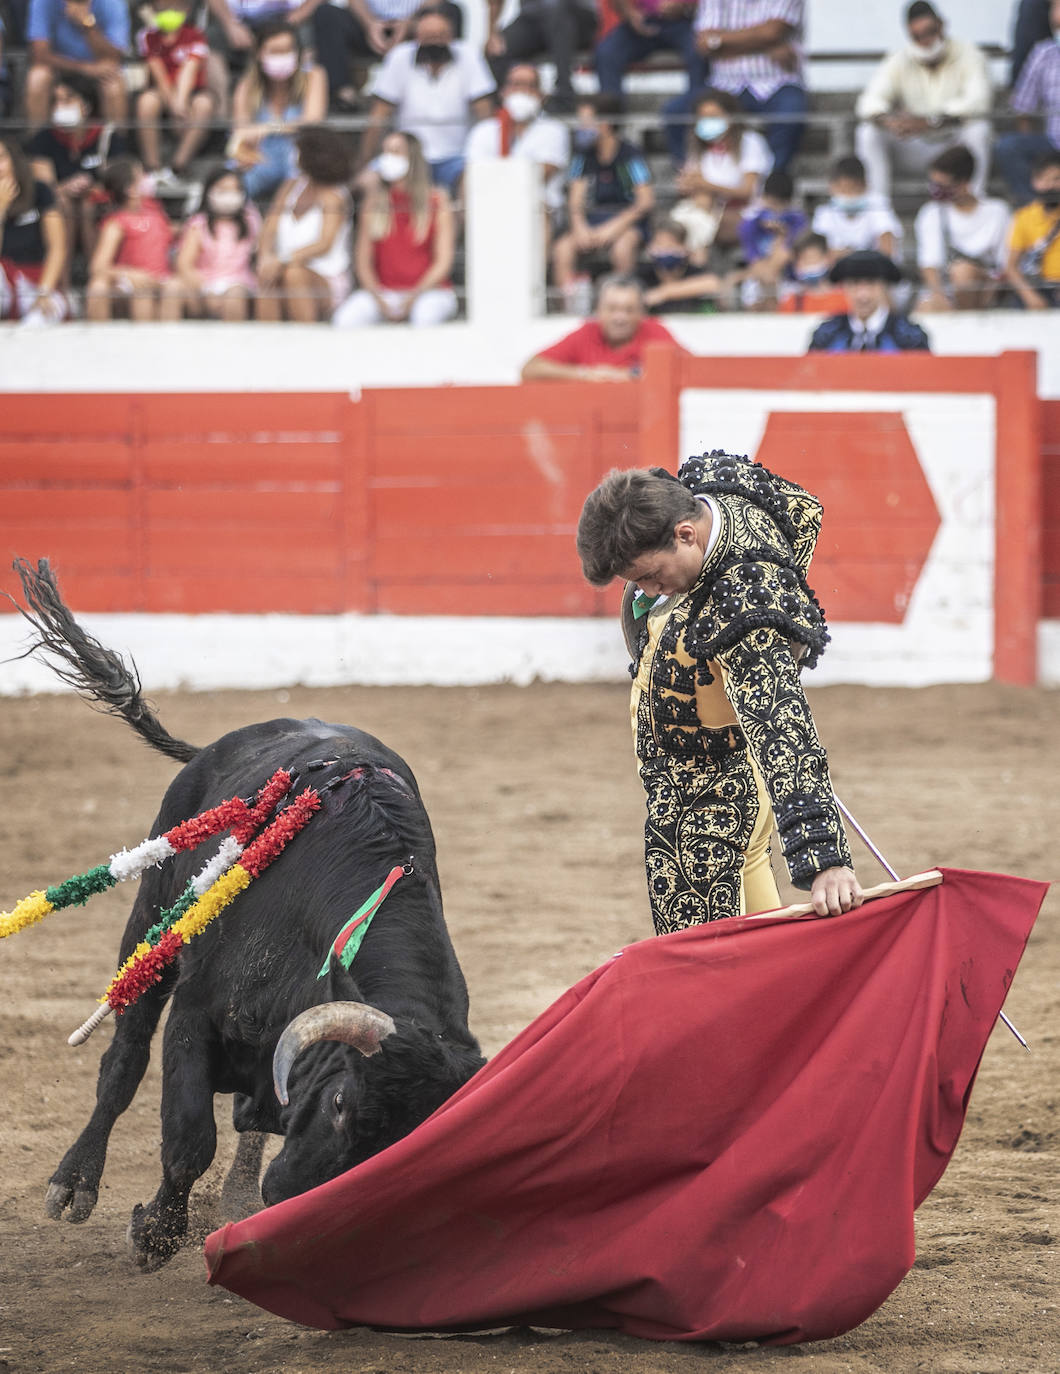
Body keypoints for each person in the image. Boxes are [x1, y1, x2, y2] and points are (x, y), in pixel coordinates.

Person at [575, 457, 862, 929]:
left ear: (686, 534)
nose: (647, 590)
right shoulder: (716, 486)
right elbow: (803, 510)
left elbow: (778, 724)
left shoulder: (745, 606)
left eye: (650, 575)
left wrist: (823, 859)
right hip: (717, 787)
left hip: (711, 806)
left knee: (706, 972)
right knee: (767, 951)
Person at [854, 2, 992, 200]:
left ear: (942, 25)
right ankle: (879, 208)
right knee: (868, 133)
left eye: (930, 32)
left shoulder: (970, 55)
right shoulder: (899, 59)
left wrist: (930, 122)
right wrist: (890, 121)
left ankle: (974, 199)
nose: (926, 40)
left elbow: (979, 102)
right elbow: (868, 102)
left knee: (979, 129)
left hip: (953, 146)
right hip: (915, 147)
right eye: (917, 36)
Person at [359, 7, 495, 191]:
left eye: (440, 35)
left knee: (475, 180)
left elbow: (485, 114)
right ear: (417, 37)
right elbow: (379, 116)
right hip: (409, 155)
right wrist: (365, 161)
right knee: (368, 181)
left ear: (451, 36)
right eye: (429, 36)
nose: (435, 42)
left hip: (456, 156)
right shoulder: (400, 56)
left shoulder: (468, 56)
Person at [333, 129, 457, 326]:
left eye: (396, 151)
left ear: (412, 157)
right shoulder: (373, 203)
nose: (388, 158)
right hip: (384, 292)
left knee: (424, 318)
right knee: (346, 320)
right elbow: (363, 262)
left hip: (431, 291)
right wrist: (378, 298)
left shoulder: (437, 201)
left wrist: (414, 296)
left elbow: (443, 262)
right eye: (386, 151)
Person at [551, 94, 654, 313]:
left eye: (585, 121)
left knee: (622, 248)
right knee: (562, 249)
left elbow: (644, 202)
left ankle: (623, 308)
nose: (581, 127)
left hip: (627, 222)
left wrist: (613, 228)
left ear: (605, 124)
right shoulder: (583, 156)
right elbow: (575, 200)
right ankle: (567, 312)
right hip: (593, 219)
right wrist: (579, 227)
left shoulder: (629, 155)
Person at [25, 72, 125, 285]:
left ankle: (96, 279)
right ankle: (62, 283)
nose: (61, 106)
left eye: (68, 99)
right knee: (63, 205)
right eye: (56, 101)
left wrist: (94, 188)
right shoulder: (44, 139)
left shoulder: (106, 136)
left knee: (89, 204)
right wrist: (64, 188)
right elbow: (43, 185)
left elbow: (118, 180)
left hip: (98, 210)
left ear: (86, 105)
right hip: (61, 206)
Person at [691, 0, 807, 172]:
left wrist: (721, 41)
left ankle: (772, 185)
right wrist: (765, 44)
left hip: (777, 84)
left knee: (791, 114)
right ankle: (696, 179)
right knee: (677, 112)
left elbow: (773, 32)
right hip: (724, 85)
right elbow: (703, 43)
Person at [256, 124, 353, 321]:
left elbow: (324, 244)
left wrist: (283, 259)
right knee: (269, 275)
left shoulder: (334, 196)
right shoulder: (289, 188)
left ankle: (306, 335)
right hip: (281, 267)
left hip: (325, 276)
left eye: (297, 150)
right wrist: (266, 257)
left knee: (294, 273)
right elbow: (269, 229)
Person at [463, 62, 570, 239]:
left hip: (539, 207)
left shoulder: (554, 130)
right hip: (490, 205)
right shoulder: (483, 131)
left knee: (537, 209)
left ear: (541, 95)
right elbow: (475, 176)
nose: (522, 91)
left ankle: (539, 267)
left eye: (529, 86)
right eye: (516, 84)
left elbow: (540, 176)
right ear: (503, 92)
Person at [596, 0, 707, 162]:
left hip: (685, 21)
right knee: (606, 53)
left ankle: (698, 127)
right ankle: (612, 133)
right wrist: (631, 14)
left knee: (701, 50)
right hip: (641, 22)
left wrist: (683, 5)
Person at [229, 22, 328, 202]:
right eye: (275, 51)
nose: (282, 56)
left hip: (299, 155)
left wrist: (265, 129)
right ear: (259, 54)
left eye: (287, 50)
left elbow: (312, 121)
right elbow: (241, 132)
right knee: (231, 182)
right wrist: (244, 152)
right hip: (261, 157)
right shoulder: (247, 85)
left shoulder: (314, 75)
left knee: (300, 175)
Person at [671, 86, 771, 258]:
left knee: (693, 225)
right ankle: (697, 264)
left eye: (713, 117)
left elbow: (748, 190)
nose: (706, 122)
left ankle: (696, 267)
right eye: (702, 118)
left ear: (730, 117)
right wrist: (686, 185)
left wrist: (706, 185)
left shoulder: (751, 142)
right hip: (707, 209)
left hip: (744, 213)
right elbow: (695, 186)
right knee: (694, 218)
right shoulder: (698, 148)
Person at [312, 0, 462, 114]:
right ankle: (342, 95)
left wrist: (408, 24)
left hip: (415, 26)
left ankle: (443, 89)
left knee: (451, 11)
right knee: (326, 13)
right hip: (368, 25)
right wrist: (370, 24)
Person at [521, 274, 679, 381]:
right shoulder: (587, 333)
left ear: (642, 313)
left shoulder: (654, 331)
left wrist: (631, 374)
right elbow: (530, 369)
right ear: (598, 310)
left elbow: (689, 368)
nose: (620, 317)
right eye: (612, 309)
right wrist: (586, 374)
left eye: (629, 310)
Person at [914, 144, 1010, 311]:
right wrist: (938, 296)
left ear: (965, 183)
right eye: (934, 184)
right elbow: (929, 263)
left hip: (986, 287)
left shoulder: (997, 211)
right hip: (946, 288)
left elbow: (1005, 263)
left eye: (943, 186)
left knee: (963, 272)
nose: (937, 191)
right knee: (926, 309)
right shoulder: (931, 213)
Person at [135, 0, 217, 191]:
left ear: (186, 9)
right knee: (146, 102)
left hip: (191, 91)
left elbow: (190, 69)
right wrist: (173, 103)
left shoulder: (195, 35)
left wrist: (181, 101)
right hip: (161, 91)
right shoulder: (147, 36)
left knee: (204, 105)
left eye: (175, 7)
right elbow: (158, 72)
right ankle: (153, 167)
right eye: (163, 8)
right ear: (154, 9)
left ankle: (178, 166)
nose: (169, 12)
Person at [162, 164, 260, 319]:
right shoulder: (198, 223)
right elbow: (184, 264)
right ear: (209, 192)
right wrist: (206, 290)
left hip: (238, 284)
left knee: (235, 297)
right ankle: (168, 337)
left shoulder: (251, 220)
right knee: (173, 288)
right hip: (203, 284)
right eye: (223, 190)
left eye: (235, 190)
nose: (230, 195)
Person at [85, 155, 173, 320]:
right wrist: (131, 274)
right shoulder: (117, 222)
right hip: (135, 282)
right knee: (140, 292)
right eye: (142, 176)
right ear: (130, 189)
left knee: (167, 289)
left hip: (161, 280)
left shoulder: (156, 214)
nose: (148, 180)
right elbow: (98, 267)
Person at [24, 0, 130, 130]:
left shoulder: (113, 3)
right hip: (60, 70)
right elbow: (39, 55)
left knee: (114, 84)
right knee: (37, 78)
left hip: (98, 72)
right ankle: (37, 144)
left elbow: (114, 57)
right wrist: (85, 68)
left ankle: (115, 145)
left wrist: (87, 24)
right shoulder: (43, 2)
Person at [997, 0, 1060, 206]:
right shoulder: (1044, 53)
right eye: (1055, 7)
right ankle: (1037, 210)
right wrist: (1041, 164)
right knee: (1009, 147)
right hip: (1053, 142)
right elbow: (1023, 107)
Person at [0, 133, 68, 324]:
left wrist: (44, 291)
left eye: (1, 159)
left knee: (37, 321)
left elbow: (57, 247)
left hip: (36, 280)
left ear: (14, 160)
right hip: (2, 282)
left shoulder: (39, 191)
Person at [807, 248, 930, 352]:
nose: (862, 295)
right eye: (854, 284)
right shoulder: (826, 335)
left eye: (871, 284)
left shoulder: (909, 336)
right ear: (845, 287)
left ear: (883, 287)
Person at [485, 0, 597, 114]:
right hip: (534, 18)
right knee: (496, 51)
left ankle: (565, 98)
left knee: (557, 11)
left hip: (577, 19)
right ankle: (502, 107)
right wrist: (492, 33)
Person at [810, 155, 902, 264]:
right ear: (831, 187)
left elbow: (887, 250)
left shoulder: (879, 207)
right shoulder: (824, 214)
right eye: (843, 189)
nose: (848, 195)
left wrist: (843, 254)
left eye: (853, 189)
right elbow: (819, 256)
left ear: (865, 186)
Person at [736, 167, 806, 307]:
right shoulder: (750, 224)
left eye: (781, 205)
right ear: (764, 198)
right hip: (759, 277)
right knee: (753, 289)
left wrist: (783, 236)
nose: (776, 210)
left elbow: (791, 256)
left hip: (790, 280)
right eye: (773, 204)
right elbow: (754, 262)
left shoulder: (798, 221)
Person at [1004, 147, 1060, 308]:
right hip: (1039, 287)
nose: (1050, 185)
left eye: (1056, 179)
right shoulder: (1024, 216)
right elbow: (1011, 267)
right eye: (1043, 179)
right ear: (1034, 182)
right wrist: (1029, 295)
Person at [637, 218, 723, 313]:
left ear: (684, 248)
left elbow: (713, 283)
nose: (665, 250)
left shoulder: (693, 271)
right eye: (660, 245)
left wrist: (664, 292)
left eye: (671, 246)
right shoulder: (642, 274)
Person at [777, 230, 850, 313]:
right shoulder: (791, 303)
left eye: (809, 258)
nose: (802, 265)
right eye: (799, 260)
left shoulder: (847, 299)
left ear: (827, 259)